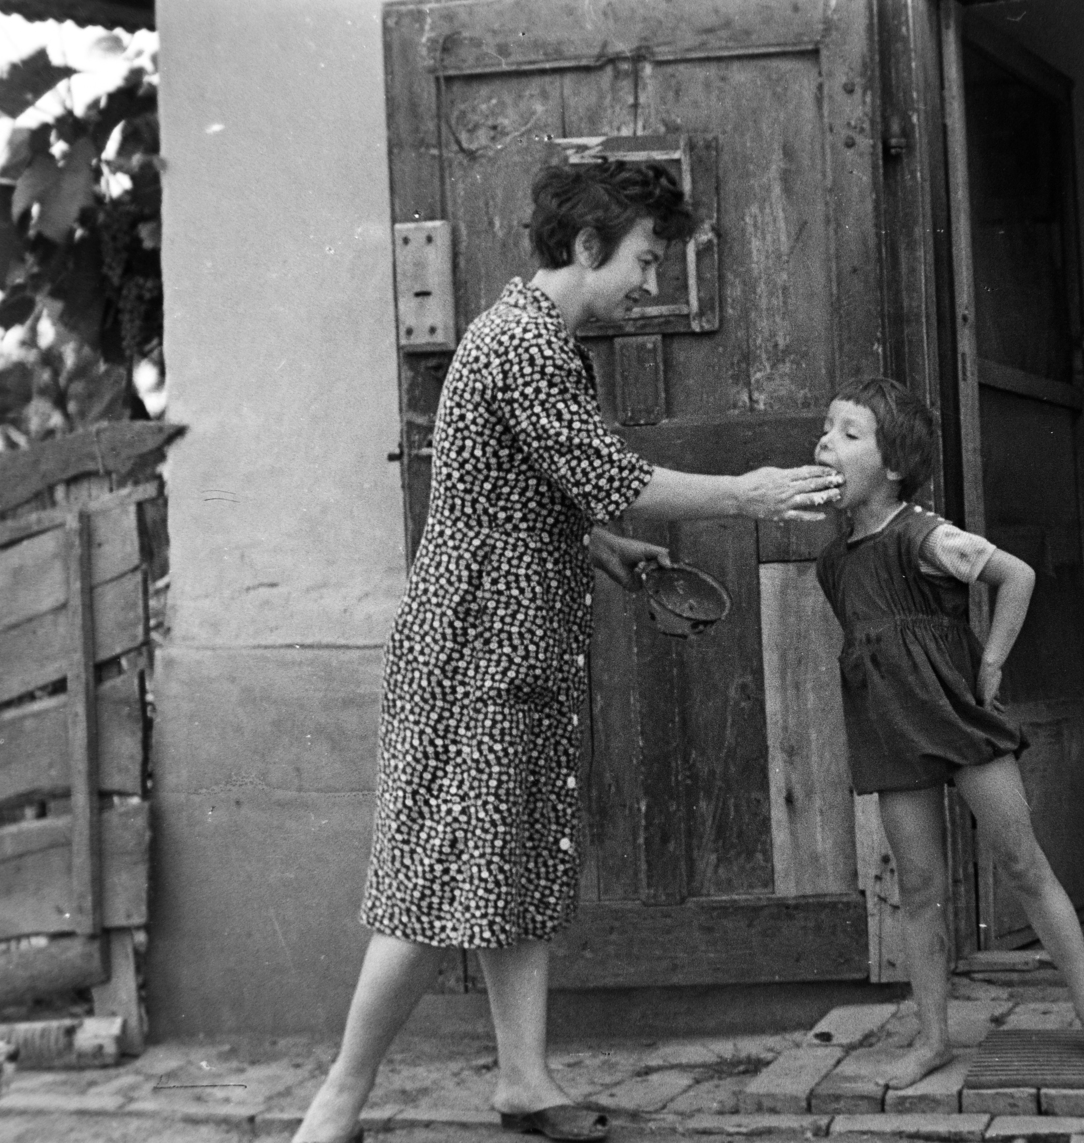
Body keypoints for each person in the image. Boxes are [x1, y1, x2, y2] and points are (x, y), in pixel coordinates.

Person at [292, 161, 843, 1143]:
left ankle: (525, 1084)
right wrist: (750, 495)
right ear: (588, 249)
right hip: (477, 654)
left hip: (512, 643)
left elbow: (535, 488)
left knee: (512, 865)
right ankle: (337, 1102)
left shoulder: (530, 339)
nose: (646, 281)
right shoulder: (524, 349)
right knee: (439, 878)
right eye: (641, 259)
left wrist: (599, 546)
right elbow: (612, 475)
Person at [813, 377, 1084, 1089]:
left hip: (958, 722)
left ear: (893, 465)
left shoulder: (924, 533)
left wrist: (989, 663)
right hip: (892, 733)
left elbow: (1015, 576)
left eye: (847, 433)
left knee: (1024, 864)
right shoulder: (833, 562)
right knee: (920, 886)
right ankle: (932, 1038)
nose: (825, 443)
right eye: (825, 430)